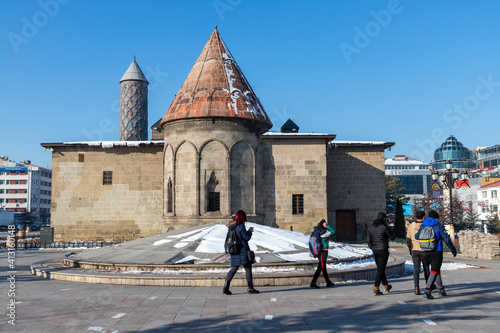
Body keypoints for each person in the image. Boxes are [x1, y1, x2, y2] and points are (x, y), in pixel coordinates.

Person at [416, 210, 457, 299]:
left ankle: (441, 290)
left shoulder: (423, 225)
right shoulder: (439, 226)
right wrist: (453, 249)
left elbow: (416, 236)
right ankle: (427, 291)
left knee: (436, 269)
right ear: (437, 218)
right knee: (434, 271)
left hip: (426, 251)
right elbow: (446, 239)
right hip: (437, 251)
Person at [222, 210, 259, 295]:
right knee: (248, 268)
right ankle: (250, 288)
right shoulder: (240, 226)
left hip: (234, 251)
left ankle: (225, 287)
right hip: (242, 251)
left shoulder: (231, 227)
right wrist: (249, 231)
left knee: (233, 268)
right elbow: (246, 238)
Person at [367, 212, 396, 296]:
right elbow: (392, 237)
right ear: (384, 219)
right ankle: (376, 287)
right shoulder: (384, 227)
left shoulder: (371, 227)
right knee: (380, 269)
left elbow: (368, 240)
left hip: (375, 250)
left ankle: (386, 286)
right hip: (383, 250)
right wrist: (391, 230)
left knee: (380, 268)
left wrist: (372, 247)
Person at [406, 211, 430, 295]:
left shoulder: (410, 226)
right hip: (425, 249)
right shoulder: (426, 226)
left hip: (414, 249)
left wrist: (410, 248)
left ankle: (416, 288)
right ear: (423, 217)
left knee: (416, 269)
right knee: (426, 268)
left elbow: (408, 239)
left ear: (416, 217)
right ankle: (428, 286)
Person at [310, 219, 336, 289]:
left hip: (318, 251)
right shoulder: (324, 231)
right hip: (323, 251)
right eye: (325, 223)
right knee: (321, 266)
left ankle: (328, 282)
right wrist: (328, 226)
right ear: (323, 224)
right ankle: (313, 282)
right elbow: (333, 232)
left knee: (323, 266)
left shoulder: (317, 231)